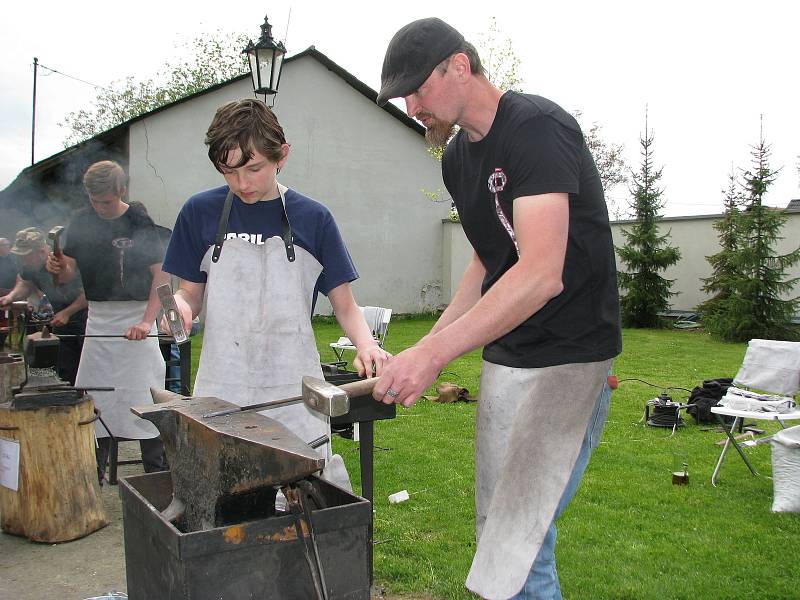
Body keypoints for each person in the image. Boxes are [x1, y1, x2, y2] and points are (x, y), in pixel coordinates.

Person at [373, 18, 622, 600]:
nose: (412, 107)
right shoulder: (457, 158)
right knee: (499, 541)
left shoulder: (538, 127)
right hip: (508, 360)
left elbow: (539, 273)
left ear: (459, 65)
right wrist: (420, 350)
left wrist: (433, 354)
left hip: (570, 363)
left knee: (518, 553)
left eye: (418, 90)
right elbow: (487, 265)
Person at [162, 99, 389, 486]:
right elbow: (189, 294)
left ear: (282, 155)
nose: (243, 183)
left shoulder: (313, 218)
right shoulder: (198, 212)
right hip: (222, 389)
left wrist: (367, 346)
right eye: (229, 172)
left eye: (254, 169)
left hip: (294, 394)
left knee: (301, 498)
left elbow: (346, 306)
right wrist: (180, 309)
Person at [46, 160, 169, 482]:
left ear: (121, 191)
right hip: (99, 321)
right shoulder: (82, 222)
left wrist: (146, 321)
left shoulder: (138, 220)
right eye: (94, 200)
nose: (100, 208)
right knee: (94, 398)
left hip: (137, 316)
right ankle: (92, 477)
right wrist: (59, 268)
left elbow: (161, 274)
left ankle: (155, 478)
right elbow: (70, 271)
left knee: (146, 395)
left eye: (107, 201)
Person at [0, 227, 88, 384]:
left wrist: (67, 312)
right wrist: (10, 297)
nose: (22, 259)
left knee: (86, 369)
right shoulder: (30, 267)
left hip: (86, 322)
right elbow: (25, 284)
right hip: (61, 324)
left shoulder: (65, 262)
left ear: (41, 251)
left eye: (26, 255)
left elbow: (88, 295)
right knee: (64, 370)